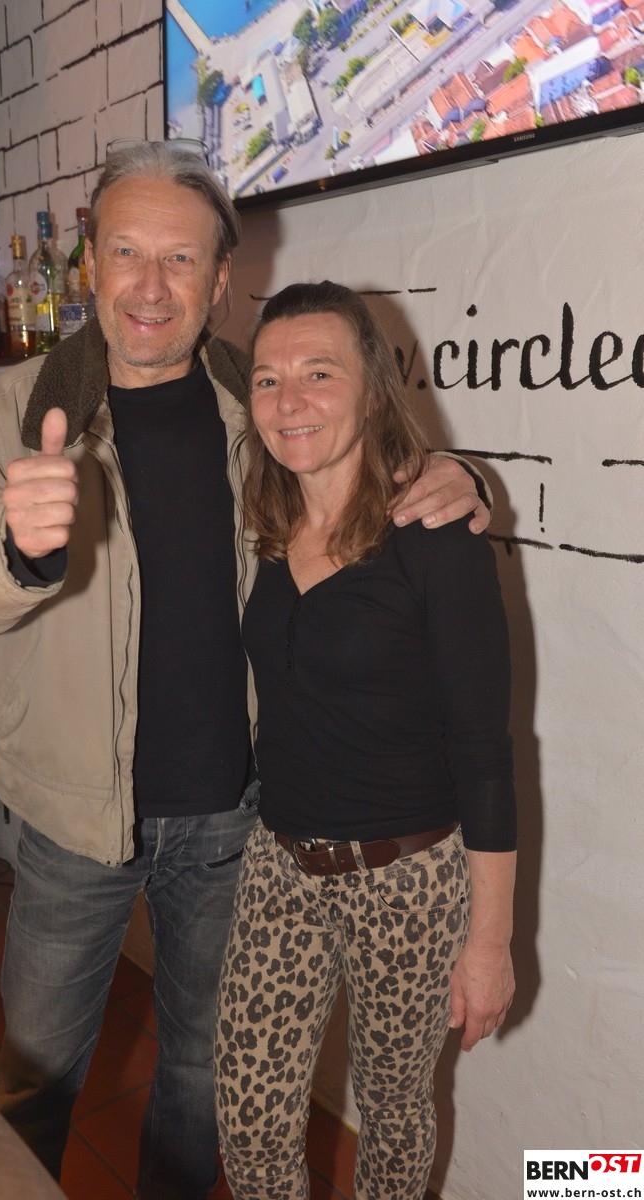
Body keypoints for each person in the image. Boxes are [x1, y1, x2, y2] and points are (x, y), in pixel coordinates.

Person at [0, 143, 491, 1200]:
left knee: (201, 1075)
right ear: (90, 264)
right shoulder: (22, 412)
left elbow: (368, 462)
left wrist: (460, 474)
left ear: (220, 278)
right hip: (73, 817)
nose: (149, 284)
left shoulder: (257, 411)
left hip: (233, 820)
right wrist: (12, 544)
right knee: (35, 1074)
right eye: (126, 252)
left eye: (179, 259)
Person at [214, 281, 517, 1200]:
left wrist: (489, 944)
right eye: (267, 380)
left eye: (318, 373)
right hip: (279, 864)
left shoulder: (436, 539)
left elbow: (484, 751)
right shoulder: (268, 527)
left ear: (374, 388)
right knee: (248, 1116)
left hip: (407, 881)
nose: (288, 400)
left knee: (393, 1116)